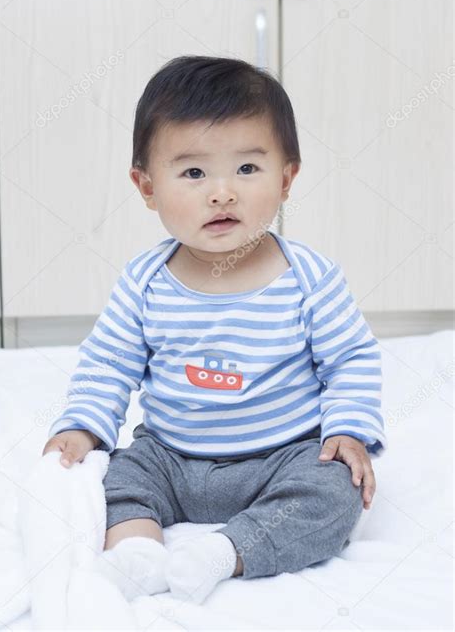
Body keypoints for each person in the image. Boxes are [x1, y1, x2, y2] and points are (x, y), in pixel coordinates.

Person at [42, 55, 387, 605]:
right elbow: (110, 363)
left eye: (247, 170)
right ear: (147, 186)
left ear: (287, 177)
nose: (222, 193)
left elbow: (349, 360)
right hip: (173, 457)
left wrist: (347, 428)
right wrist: (83, 426)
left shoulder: (309, 278)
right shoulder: (145, 281)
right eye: (194, 173)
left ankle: (228, 551)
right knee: (112, 477)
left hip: (281, 456)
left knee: (337, 493)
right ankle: (138, 553)